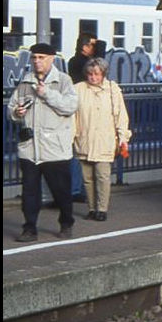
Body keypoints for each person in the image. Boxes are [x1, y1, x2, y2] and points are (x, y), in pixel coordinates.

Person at [8, 43, 80, 242]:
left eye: (41, 57)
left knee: (61, 191)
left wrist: (47, 93)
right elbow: (12, 107)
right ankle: (29, 228)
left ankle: (66, 223)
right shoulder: (25, 82)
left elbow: (70, 106)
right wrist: (16, 112)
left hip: (54, 148)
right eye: (34, 57)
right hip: (30, 148)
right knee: (29, 192)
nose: (36, 61)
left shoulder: (64, 81)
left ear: (51, 58)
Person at [73, 57, 131, 222]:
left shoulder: (113, 90)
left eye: (97, 74)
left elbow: (121, 116)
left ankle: (102, 208)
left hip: (105, 139)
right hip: (84, 138)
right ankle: (92, 208)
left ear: (103, 74)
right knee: (87, 178)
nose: (93, 77)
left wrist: (123, 137)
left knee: (102, 176)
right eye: (90, 74)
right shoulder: (78, 89)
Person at [65, 32, 100, 204]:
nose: (95, 48)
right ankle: (76, 189)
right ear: (85, 46)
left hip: (87, 111)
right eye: (93, 45)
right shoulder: (77, 62)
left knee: (84, 153)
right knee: (79, 153)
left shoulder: (78, 61)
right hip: (81, 111)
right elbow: (91, 73)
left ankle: (79, 189)